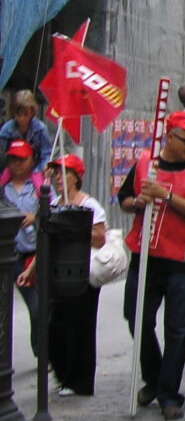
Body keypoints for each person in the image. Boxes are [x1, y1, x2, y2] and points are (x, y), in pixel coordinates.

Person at [120, 111, 185, 420]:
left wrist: (166, 195)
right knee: (136, 317)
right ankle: (156, 376)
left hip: (180, 260)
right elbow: (124, 198)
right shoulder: (145, 163)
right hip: (144, 256)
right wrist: (137, 203)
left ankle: (168, 393)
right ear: (169, 136)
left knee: (178, 329)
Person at [18, 155, 106, 395]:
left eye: (62, 172)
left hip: (81, 273)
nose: (57, 177)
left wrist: (74, 227)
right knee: (55, 327)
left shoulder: (90, 205)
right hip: (57, 274)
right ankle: (63, 374)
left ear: (75, 177)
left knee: (80, 329)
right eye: (55, 173)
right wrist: (29, 270)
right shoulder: (53, 203)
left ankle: (79, 381)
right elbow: (45, 241)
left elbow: (100, 237)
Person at [2, 139, 49, 355]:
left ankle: (41, 351)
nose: (17, 164)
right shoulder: (3, 189)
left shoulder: (40, 187)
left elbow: (53, 213)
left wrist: (36, 216)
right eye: (13, 159)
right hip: (9, 255)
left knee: (37, 306)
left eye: (22, 159)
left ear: (31, 161)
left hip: (34, 253)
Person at [0, 90, 52, 172]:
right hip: (12, 170)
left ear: (32, 112)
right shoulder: (6, 130)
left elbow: (46, 153)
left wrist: (44, 167)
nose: (22, 119)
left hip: (35, 169)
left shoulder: (40, 129)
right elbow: (3, 154)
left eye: (26, 114)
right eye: (18, 115)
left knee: (40, 184)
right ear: (13, 113)